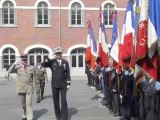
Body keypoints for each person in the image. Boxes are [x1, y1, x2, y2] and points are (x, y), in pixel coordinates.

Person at [41, 47, 71, 120]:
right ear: (55, 54)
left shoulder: (65, 62)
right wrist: (49, 59)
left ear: (61, 54)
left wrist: (68, 83)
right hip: (54, 84)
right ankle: (58, 116)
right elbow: (43, 64)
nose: (58, 55)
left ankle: (64, 117)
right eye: (57, 53)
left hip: (63, 84)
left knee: (63, 101)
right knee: (56, 101)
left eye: (59, 53)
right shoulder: (52, 62)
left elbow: (67, 73)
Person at [8, 55, 35, 120]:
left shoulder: (31, 68)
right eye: (23, 60)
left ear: (27, 60)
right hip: (21, 88)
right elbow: (9, 71)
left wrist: (33, 88)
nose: (24, 61)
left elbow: (34, 79)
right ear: (21, 60)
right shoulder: (17, 67)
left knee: (29, 104)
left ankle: (29, 118)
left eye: (25, 60)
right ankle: (24, 115)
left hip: (29, 89)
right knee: (23, 104)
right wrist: (15, 63)